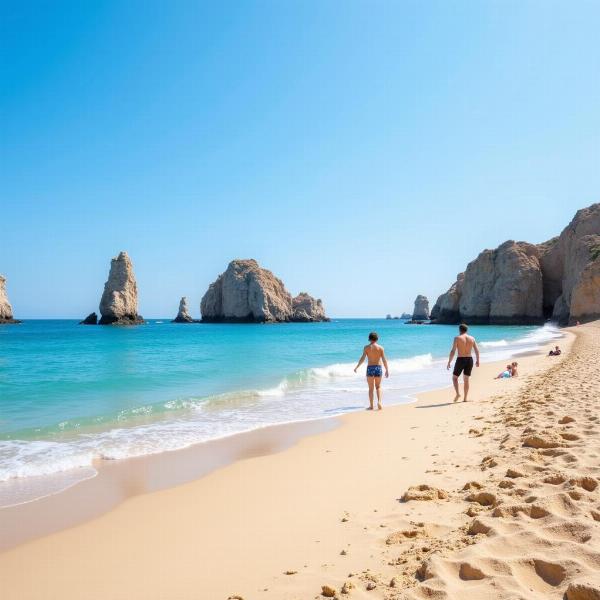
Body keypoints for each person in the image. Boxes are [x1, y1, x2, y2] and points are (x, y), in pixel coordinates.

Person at [354, 331, 389, 410]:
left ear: (369, 338)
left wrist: (357, 367)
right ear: (377, 339)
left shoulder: (366, 347)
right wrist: (387, 369)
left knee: (371, 388)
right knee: (378, 387)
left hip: (370, 368)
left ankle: (371, 405)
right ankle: (379, 402)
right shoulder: (380, 348)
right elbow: (384, 360)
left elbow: (362, 358)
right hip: (378, 368)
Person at [447, 323, 480, 402]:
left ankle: (458, 394)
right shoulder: (472, 338)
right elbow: (476, 350)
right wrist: (478, 360)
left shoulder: (457, 338)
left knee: (455, 378)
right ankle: (465, 398)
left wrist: (449, 362)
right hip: (469, 360)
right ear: (467, 330)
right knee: (466, 380)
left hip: (461, 359)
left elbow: (453, 351)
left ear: (459, 330)